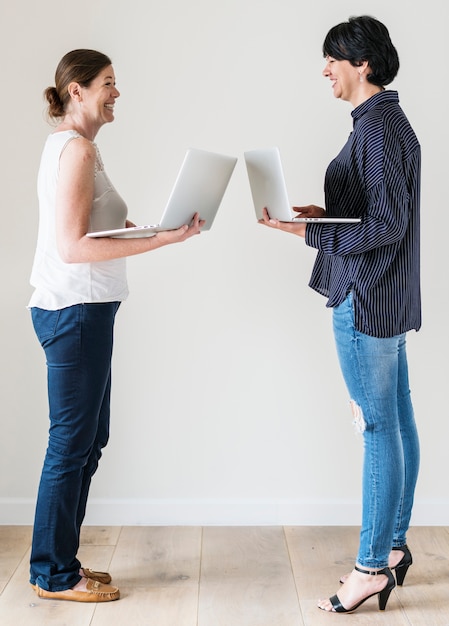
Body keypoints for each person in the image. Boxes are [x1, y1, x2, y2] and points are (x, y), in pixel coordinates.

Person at [28, 49, 204, 603]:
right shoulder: (76, 149)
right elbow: (73, 247)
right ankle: (53, 574)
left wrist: (156, 227)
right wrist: (165, 240)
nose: (116, 92)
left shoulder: (83, 149)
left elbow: (101, 230)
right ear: (76, 90)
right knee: (71, 444)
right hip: (74, 310)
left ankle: (62, 561)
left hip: (87, 310)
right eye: (107, 83)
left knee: (89, 440)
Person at [260, 15, 421, 614]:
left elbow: (387, 226)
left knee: (377, 432)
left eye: (332, 58)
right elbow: (374, 213)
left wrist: (306, 230)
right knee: (398, 425)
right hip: (387, 299)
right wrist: (321, 215)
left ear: (362, 63)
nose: (325, 69)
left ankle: (370, 567)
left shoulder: (376, 128)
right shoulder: (384, 123)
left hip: (365, 301)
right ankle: (395, 548)